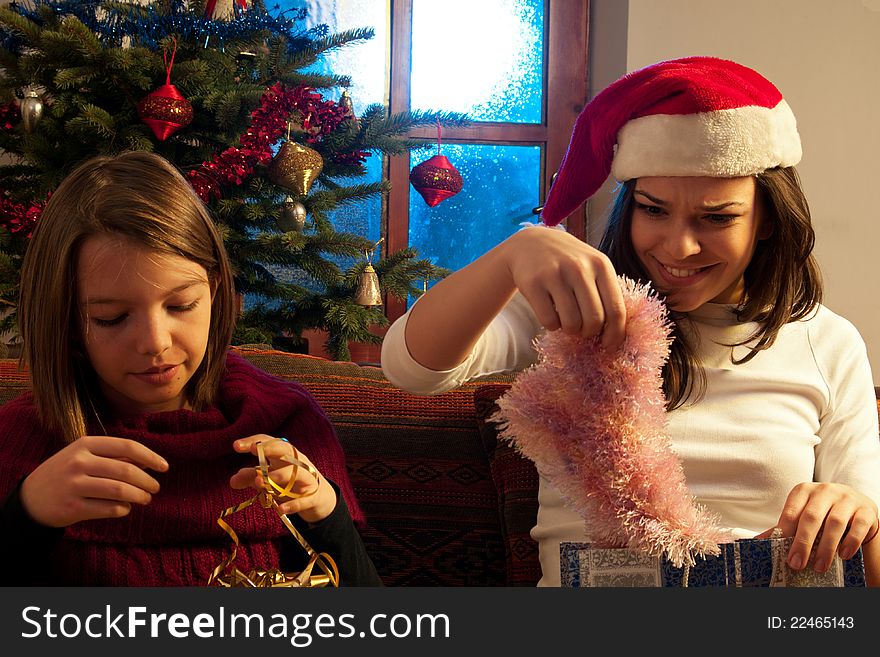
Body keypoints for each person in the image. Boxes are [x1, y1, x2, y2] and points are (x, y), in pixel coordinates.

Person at [381, 56, 880, 586]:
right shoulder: (577, 310)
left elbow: (869, 560)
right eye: (654, 209)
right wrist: (512, 255)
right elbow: (411, 368)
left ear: (766, 221)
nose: (678, 247)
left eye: (717, 218)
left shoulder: (827, 341)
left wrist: (855, 516)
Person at [0, 151, 381, 586]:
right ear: (65, 318)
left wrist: (325, 512)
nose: (156, 343)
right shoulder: (23, 439)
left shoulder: (289, 425)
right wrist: (25, 516)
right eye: (110, 318)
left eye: (181, 305)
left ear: (214, 291)